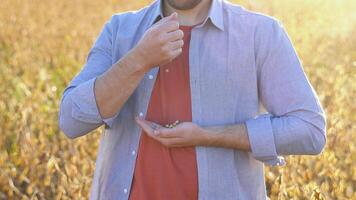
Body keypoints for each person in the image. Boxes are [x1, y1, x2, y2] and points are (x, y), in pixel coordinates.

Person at [58, 0, 327, 199]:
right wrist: (139, 59)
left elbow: (309, 130)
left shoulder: (260, 33)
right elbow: (72, 120)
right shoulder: (120, 30)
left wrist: (210, 135)